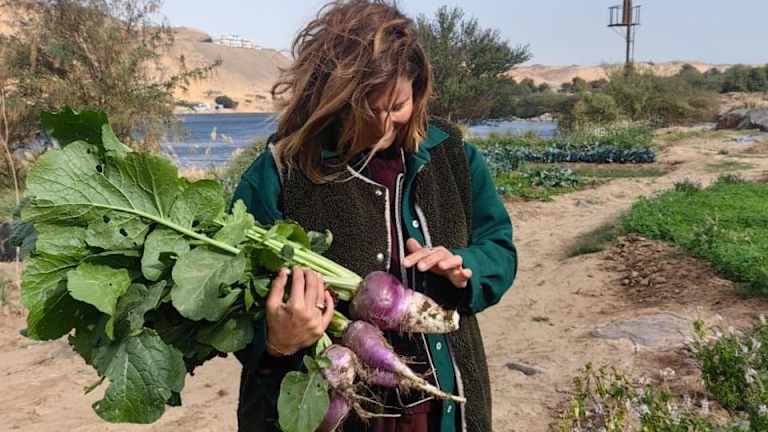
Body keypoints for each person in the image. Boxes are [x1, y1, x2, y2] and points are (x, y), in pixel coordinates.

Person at [231, 1, 518, 431]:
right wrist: (277, 339)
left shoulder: (454, 157)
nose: (385, 125)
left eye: (397, 106)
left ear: (418, 92)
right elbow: (230, 301)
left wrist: (467, 266)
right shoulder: (281, 170)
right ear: (331, 99)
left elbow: (499, 250)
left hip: (443, 410)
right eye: (368, 108)